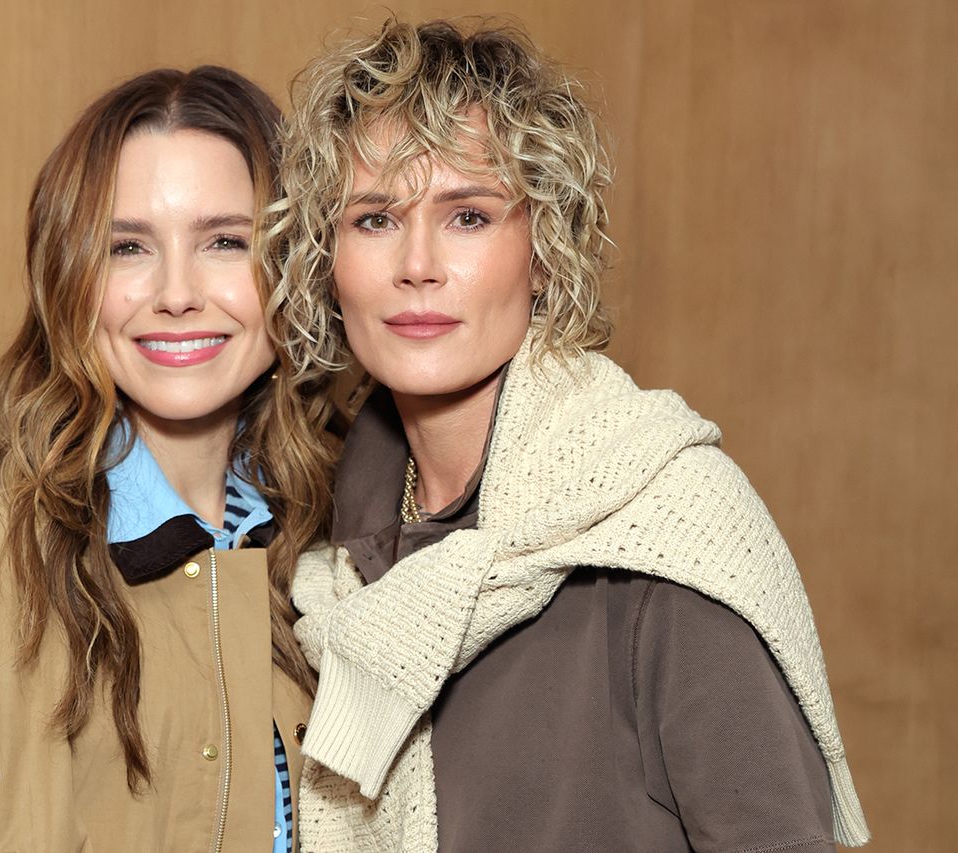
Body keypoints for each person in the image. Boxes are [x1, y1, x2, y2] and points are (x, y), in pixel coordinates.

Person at [268, 19, 870, 852]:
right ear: (325, 260)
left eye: (468, 216)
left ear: (543, 250)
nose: (418, 264)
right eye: (375, 218)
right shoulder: (327, 565)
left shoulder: (670, 534)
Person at [0, 66, 334, 852]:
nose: (176, 292)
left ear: (296, 267)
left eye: (225, 240)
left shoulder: (339, 545)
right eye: (127, 247)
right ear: (71, 278)